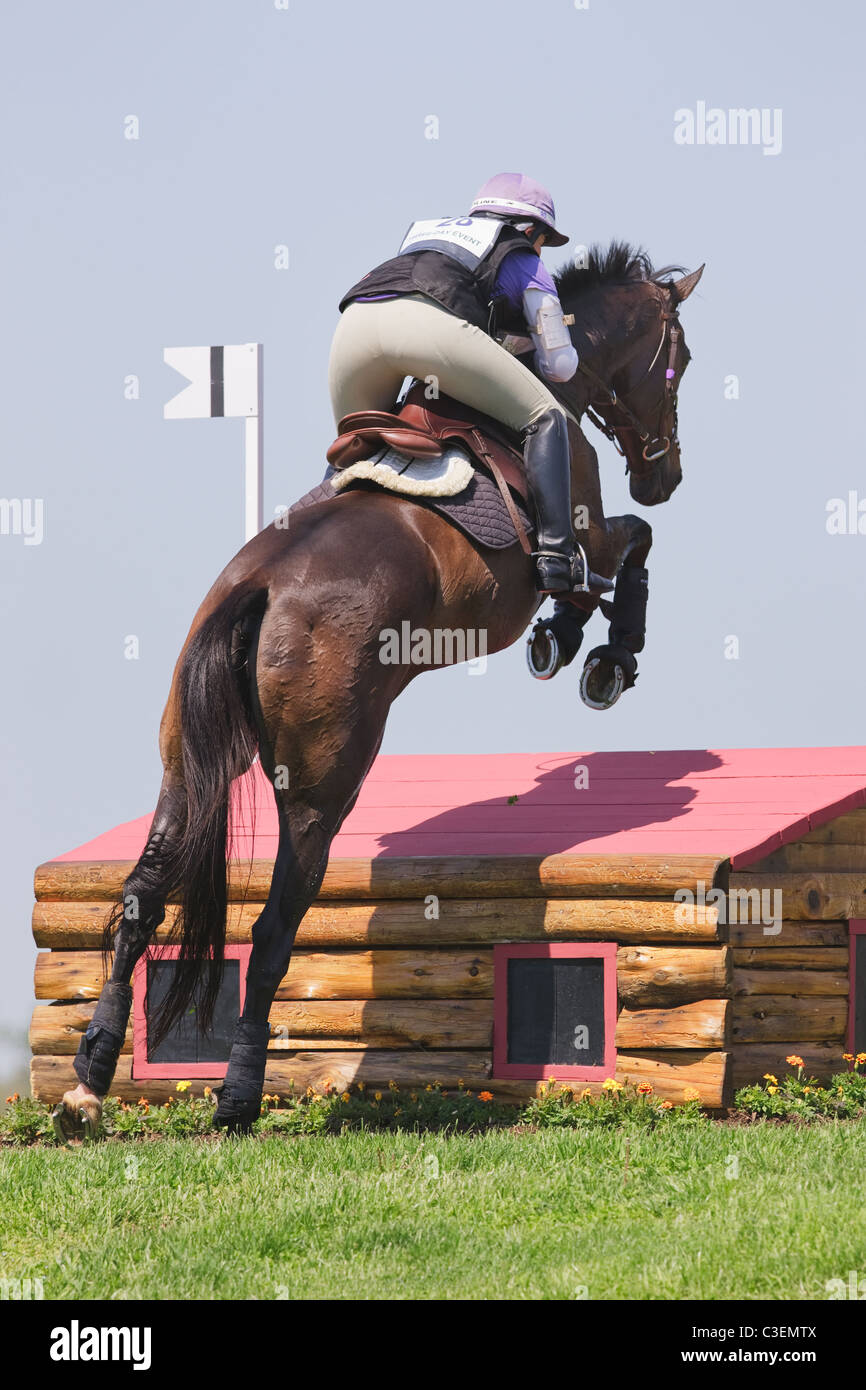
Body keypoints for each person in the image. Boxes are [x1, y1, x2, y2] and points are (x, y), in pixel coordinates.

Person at [329, 172, 584, 595]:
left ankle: (320, 526)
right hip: (423, 326)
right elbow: (559, 366)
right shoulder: (523, 255)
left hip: (353, 327)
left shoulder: (428, 235)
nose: (541, 250)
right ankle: (556, 557)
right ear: (529, 229)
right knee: (547, 416)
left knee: (352, 448)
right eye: (542, 240)